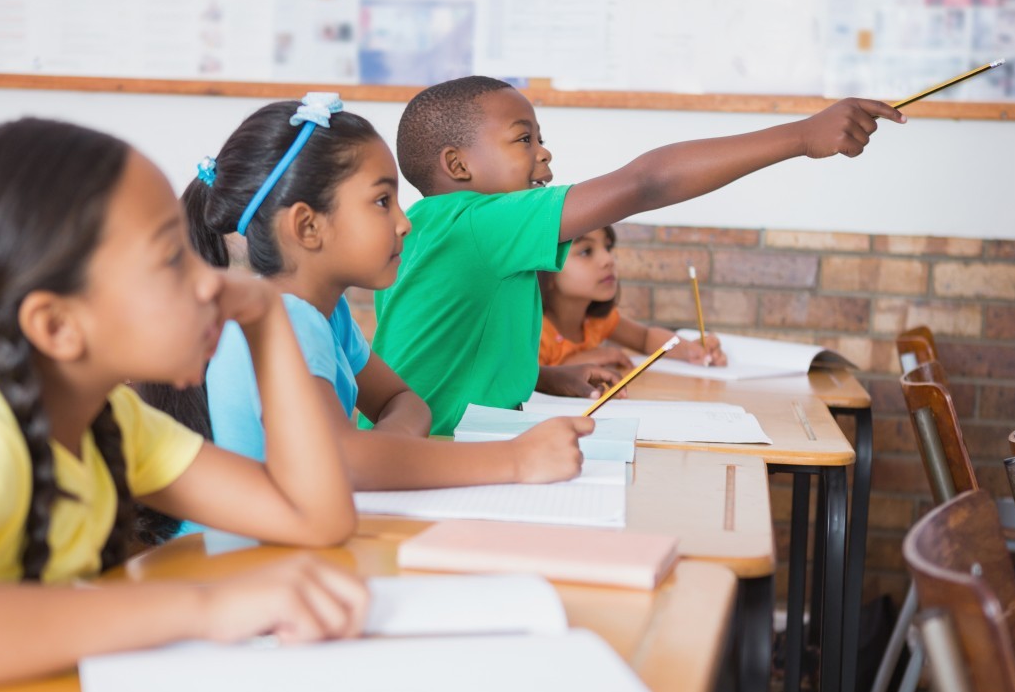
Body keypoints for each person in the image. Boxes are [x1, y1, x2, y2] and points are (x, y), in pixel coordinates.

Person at [0, 118, 368, 692]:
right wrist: (201, 606)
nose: (211, 283)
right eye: (172, 260)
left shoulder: (110, 420)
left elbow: (314, 516)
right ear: (58, 325)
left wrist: (267, 319)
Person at [371, 75, 905, 435]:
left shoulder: (428, 228)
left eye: (541, 137)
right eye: (523, 138)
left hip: (420, 443)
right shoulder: (480, 222)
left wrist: (542, 377)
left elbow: (447, 348)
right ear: (458, 166)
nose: (544, 151)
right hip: (427, 457)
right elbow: (647, 182)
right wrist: (802, 135)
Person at [165, 94, 590, 500]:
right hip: (246, 566)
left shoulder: (329, 317)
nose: (404, 224)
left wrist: (386, 454)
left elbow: (404, 403)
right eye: (382, 201)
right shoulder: (285, 321)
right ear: (308, 227)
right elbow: (345, 462)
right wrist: (517, 459)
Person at [536, 225, 726, 380]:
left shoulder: (596, 320)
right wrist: (579, 362)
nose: (608, 259)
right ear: (545, 269)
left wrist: (690, 350)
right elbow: (530, 380)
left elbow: (645, 338)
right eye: (586, 252)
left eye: (608, 247)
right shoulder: (535, 331)